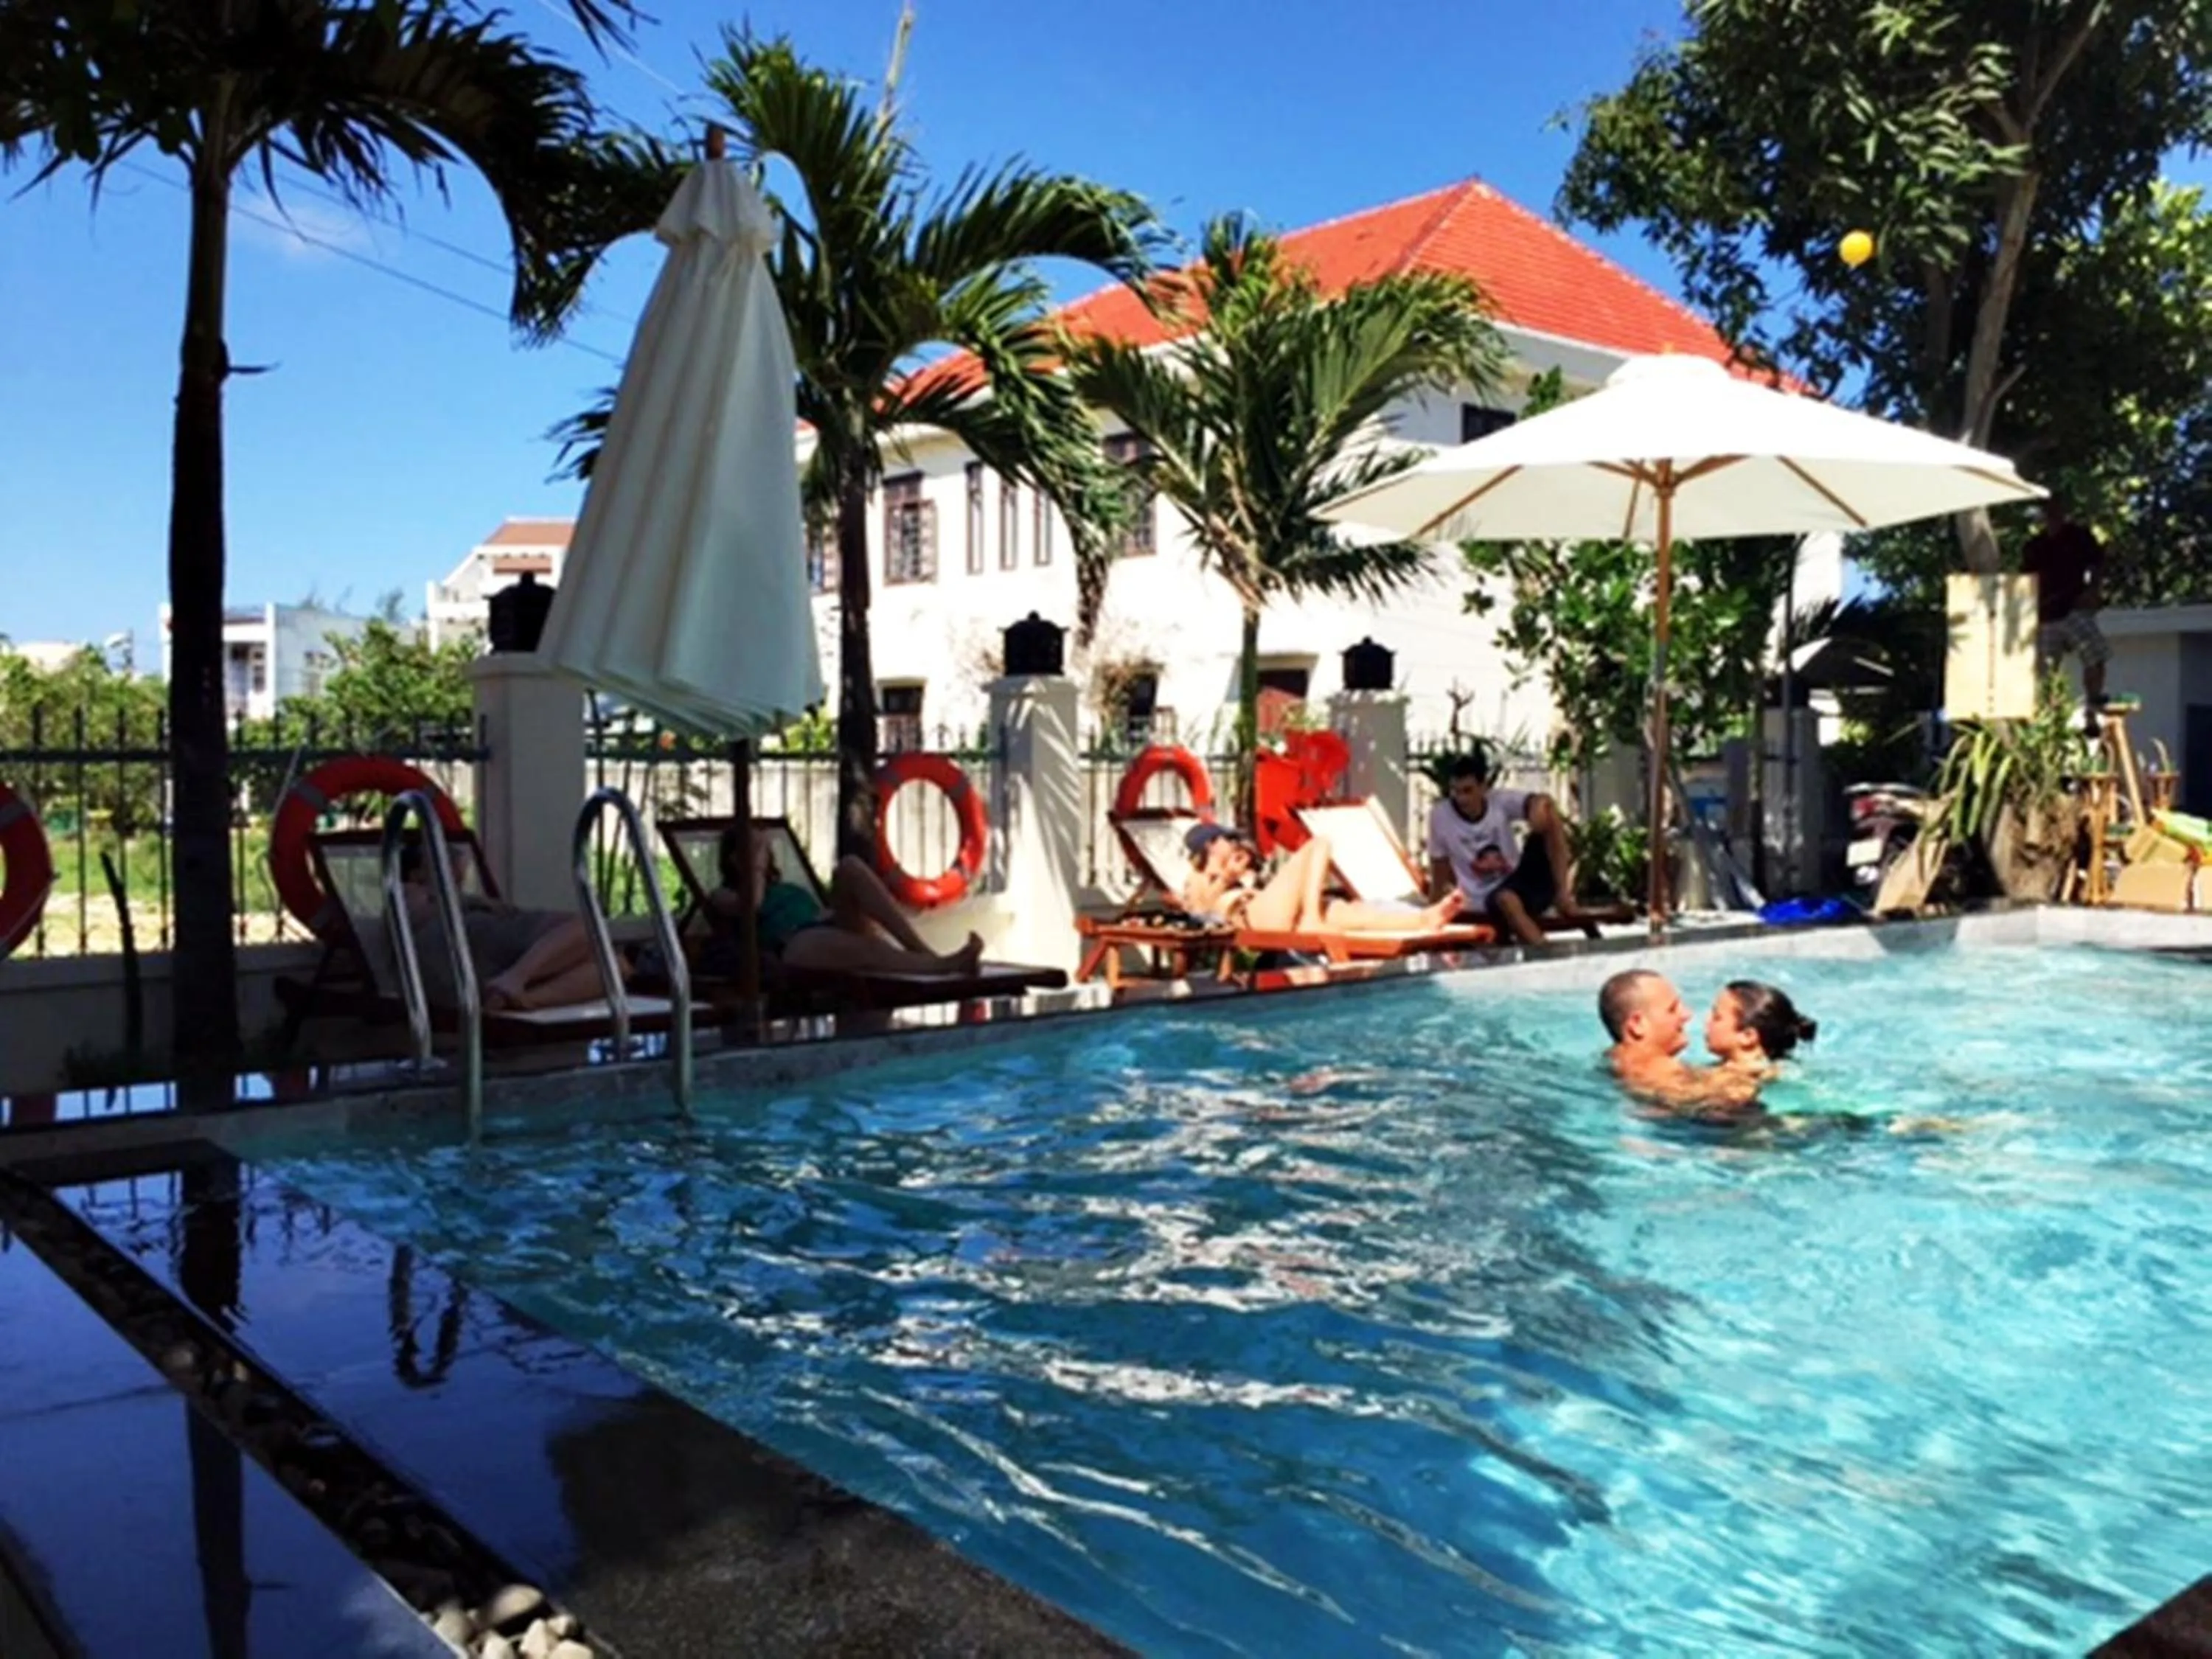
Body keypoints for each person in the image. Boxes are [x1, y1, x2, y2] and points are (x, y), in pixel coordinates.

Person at [703, 824, 984, 978]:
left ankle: (922, 950)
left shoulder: (785, 887)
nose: (763, 853)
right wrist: (755, 866)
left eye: (763, 848)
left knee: (849, 866)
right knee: (868, 948)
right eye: (754, 848)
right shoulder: (722, 894)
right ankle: (941, 966)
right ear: (733, 858)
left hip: (823, 923)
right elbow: (752, 906)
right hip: (792, 945)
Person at [397, 840, 606, 1011]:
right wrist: (473, 902)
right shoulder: (411, 891)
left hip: (493, 941)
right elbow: (414, 917)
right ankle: (515, 978)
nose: (452, 856)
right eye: (440, 854)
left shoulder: (465, 897)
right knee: (588, 927)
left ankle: (526, 998)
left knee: (615, 965)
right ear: (417, 873)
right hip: (467, 939)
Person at [1180, 822, 1464, 935]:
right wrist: (1226, 878)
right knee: (1320, 844)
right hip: (1249, 916)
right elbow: (1199, 909)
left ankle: (1424, 919)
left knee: (1352, 912)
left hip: (1270, 912)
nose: (1233, 844)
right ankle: (1312, 919)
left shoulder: (1234, 872)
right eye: (1227, 840)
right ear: (1211, 845)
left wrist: (1240, 877)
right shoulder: (1197, 876)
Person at [1425, 750, 1585, 947]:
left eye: (1468, 791)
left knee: (1548, 812)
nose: (1462, 799)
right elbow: (1438, 872)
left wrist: (1538, 813)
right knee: (1506, 899)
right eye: (1456, 792)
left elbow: (1542, 801)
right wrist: (1431, 919)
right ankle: (1546, 951)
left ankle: (1564, 897)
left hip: (1519, 881)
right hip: (1487, 899)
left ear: (1483, 788)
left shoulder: (1499, 802)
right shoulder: (1440, 816)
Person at [1597, 969, 1760, 1117]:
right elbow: (1730, 1095)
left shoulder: (1617, 1060)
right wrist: (1748, 1069)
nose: (1687, 1014)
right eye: (1672, 1009)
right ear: (1637, 1024)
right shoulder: (1653, 1071)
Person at [2021, 495, 2109, 713]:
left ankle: (2093, 700)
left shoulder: (2079, 536)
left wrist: (2093, 592)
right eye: (2048, 511)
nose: (2053, 515)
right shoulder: (2035, 546)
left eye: (2056, 509)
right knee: (2047, 670)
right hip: (2046, 613)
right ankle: (2049, 710)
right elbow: (2026, 581)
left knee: (2095, 654)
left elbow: (2098, 564)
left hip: (2074, 607)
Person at [1703, 980, 1818, 1085]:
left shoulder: (1740, 1080)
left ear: (1747, 1036)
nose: (1707, 1021)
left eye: (1716, 1017)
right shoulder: (1777, 1068)